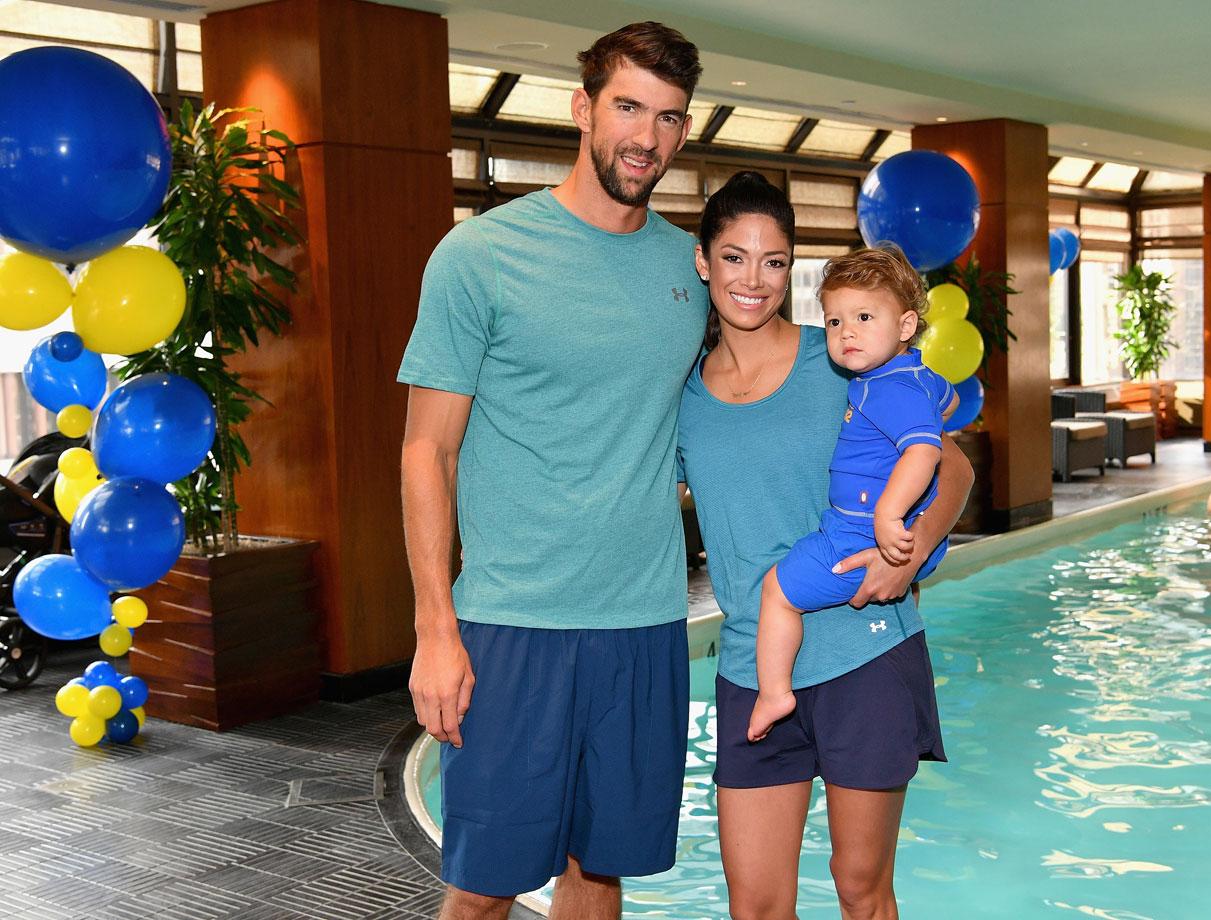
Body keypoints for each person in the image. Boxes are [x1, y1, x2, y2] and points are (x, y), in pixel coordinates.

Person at [398, 23, 705, 919]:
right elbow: (428, 448)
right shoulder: (480, 256)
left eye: (669, 117)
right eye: (628, 107)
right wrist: (435, 627)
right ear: (583, 109)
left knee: (597, 872)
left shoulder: (689, 270)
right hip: (512, 624)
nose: (646, 137)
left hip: (646, 623)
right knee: (485, 888)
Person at [677, 171, 974, 920]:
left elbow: (955, 464)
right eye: (735, 258)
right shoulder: (678, 396)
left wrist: (903, 562)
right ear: (703, 262)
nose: (754, 280)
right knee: (756, 905)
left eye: (774, 261)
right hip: (753, 667)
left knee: (861, 890)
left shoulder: (844, 357)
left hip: (864, 654)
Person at [748, 245, 957, 742]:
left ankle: (774, 691)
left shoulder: (889, 389)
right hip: (879, 530)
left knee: (777, 593)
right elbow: (946, 401)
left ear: (906, 326)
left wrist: (888, 515)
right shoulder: (904, 374)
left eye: (865, 317)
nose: (847, 333)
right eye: (836, 321)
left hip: (860, 535)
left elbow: (925, 452)